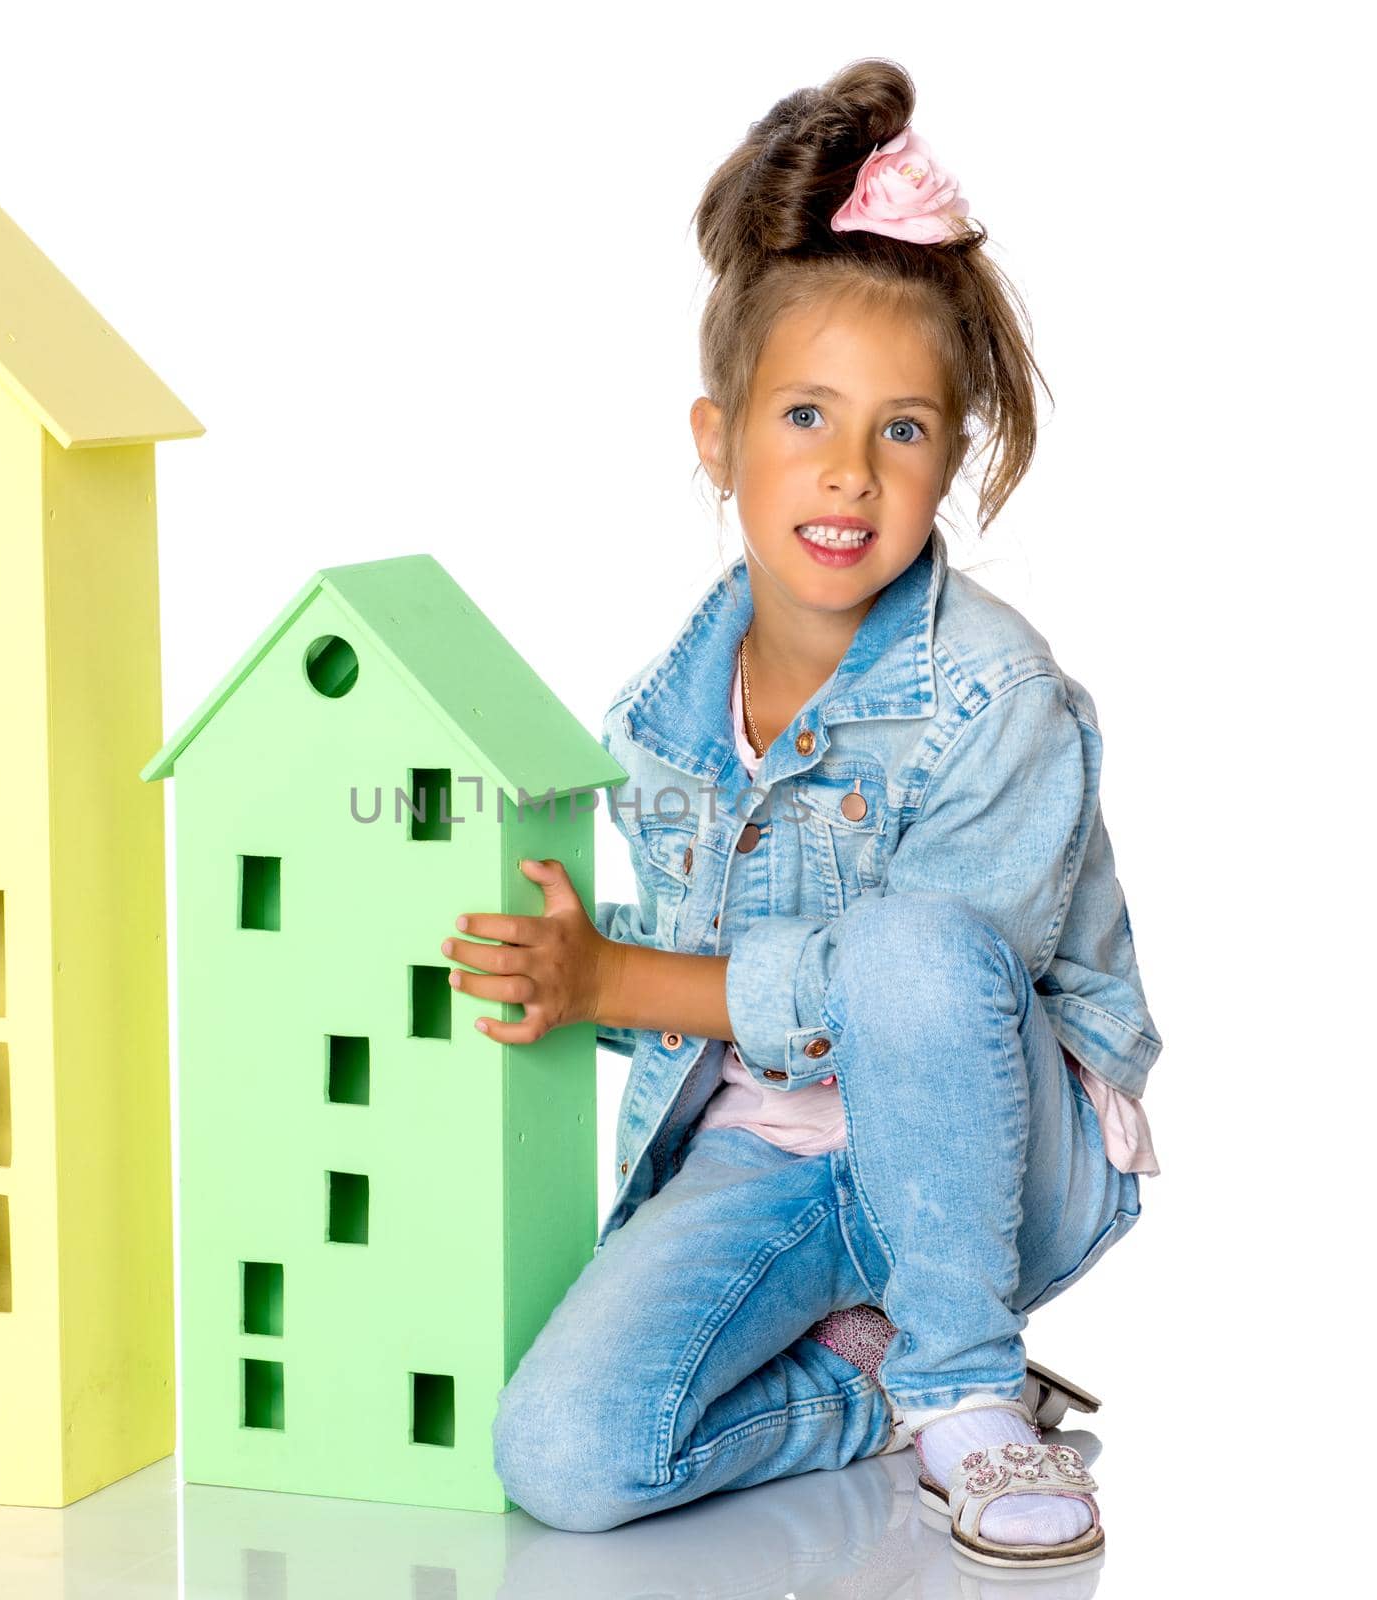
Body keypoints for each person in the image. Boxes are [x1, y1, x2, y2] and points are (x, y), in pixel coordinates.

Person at [440, 57, 1162, 1570]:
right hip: (773, 1154)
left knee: (906, 942)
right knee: (564, 1456)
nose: (849, 471)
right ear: (720, 441)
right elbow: (710, 1002)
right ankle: (874, 1394)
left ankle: (967, 1389)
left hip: (992, 1148)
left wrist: (626, 983)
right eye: (807, 417)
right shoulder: (659, 719)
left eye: (902, 430)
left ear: (951, 457)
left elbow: (916, 995)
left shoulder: (994, 694)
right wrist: (587, 974)